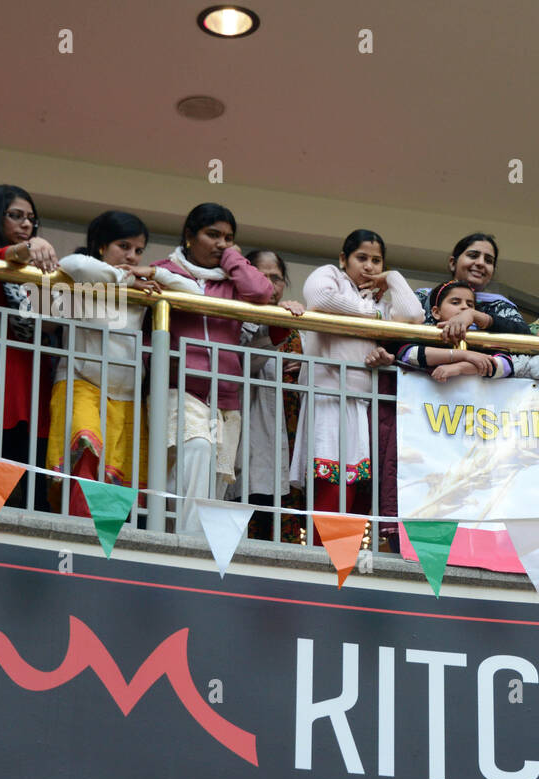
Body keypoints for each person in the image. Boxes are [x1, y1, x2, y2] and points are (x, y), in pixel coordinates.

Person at [50, 211, 199, 517]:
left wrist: (155, 273)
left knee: (115, 472)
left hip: (128, 395)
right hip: (81, 383)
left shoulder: (144, 281)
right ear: (101, 246)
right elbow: (74, 263)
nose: (132, 256)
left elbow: (196, 293)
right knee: (86, 454)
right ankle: (78, 532)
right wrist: (127, 279)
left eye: (139, 250)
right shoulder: (86, 272)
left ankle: (103, 546)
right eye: (124, 246)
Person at [289, 229, 424, 538]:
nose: (369, 266)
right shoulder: (331, 277)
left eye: (377, 261)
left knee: (356, 484)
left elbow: (414, 316)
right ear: (343, 259)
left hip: (363, 403)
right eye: (361, 258)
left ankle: (340, 560)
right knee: (331, 480)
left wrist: (393, 278)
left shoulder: (381, 305)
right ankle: (323, 558)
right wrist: (373, 315)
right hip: (328, 396)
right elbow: (320, 298)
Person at [151, 203, 275, 532]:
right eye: (212, 235)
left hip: (225, 396)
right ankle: (186, 551)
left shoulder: (232, 281)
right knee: (196, 451)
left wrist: (233, 257)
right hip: (179, 387)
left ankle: (200, 548)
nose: (221, 243)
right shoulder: (164, 270)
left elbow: (262, 291)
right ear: (189, 236)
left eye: (228, 237)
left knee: (217, 477)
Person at [0, 184, 59, 507]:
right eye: (15, 216)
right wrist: (32, 246)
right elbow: (0, 257)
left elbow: (50, 322)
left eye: (31, 219)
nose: (26, 224)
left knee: (33, 480)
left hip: (32, 374)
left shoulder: (34, 269)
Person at [231, 249, 304, 537]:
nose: (271, 285)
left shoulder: (299, 326)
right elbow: (247, 363)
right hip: (253, 435)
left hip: (290, 436)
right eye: (263, 276)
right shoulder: (237, 316)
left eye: (277, 278)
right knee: (247, 519)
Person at [415, 233, 532, 340]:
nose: (481, 263)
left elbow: (526, 335)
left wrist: (476, 316)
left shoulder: (499, 305)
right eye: (473, 255)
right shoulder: (424, 297)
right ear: (452, 263)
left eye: (488, 260)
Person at [396, 281, 510, 380]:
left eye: (470, 305)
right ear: (436, 312)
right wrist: (466, 356)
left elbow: (506, 365)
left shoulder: (481, 339)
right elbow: (408, 354)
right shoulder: (429, 335)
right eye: (455, 302)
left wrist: (460, 368)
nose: (465, 307)